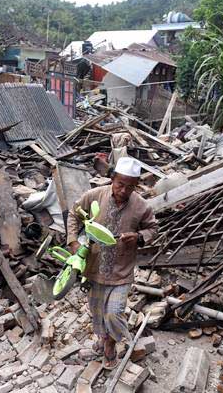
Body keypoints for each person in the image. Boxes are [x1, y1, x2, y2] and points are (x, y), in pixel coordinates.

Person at [66, 157, 158, 369]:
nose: (124, 191)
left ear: (136, 186)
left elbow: (153, 229)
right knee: (97, 310)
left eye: (130, 186)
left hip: (121, 271)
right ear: (112, 178)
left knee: (114, 313)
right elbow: (74, 213)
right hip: (93, 267)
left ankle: (109, 345)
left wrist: (139, 236)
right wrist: (72, 241)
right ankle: (102, 340)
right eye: (120, 184)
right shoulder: (95, 196)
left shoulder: (142, 206)